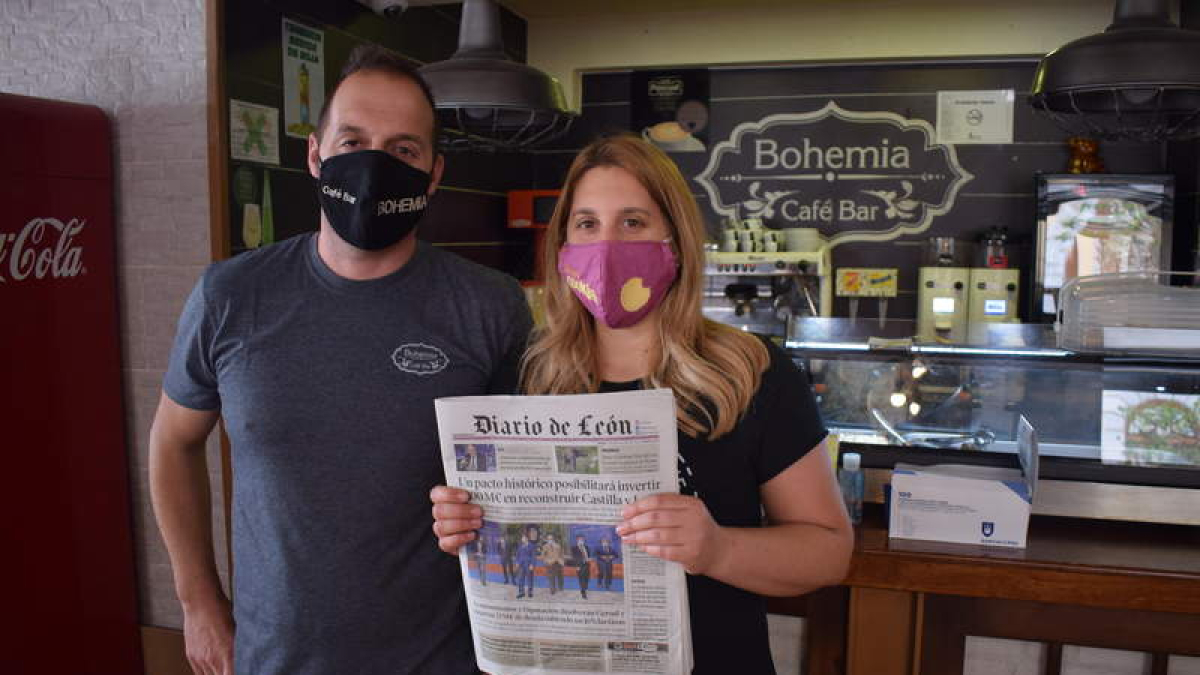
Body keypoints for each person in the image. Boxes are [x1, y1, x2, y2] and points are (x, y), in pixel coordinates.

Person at [148, 44, 532, 675]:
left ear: (435, 173)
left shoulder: (490, 306)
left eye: (403, 150)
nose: (375, 166)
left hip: (445, 659)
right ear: (314, 153)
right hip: (275, 658)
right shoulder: (231, 296)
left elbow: (528, 483)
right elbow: (172, 443)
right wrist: (198, 602)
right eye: (352, 141)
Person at [430, 134, 852, 674]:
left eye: (633, 222)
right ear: (563, 246)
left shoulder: (750, 372)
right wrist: (466, 524)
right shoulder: (524, 372)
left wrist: (718, 549)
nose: (606, 245)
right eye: (586, 224)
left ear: (675, 241)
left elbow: (829, 551)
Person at [515, 529, 539, 599]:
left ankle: (530, 592)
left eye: (523, 538)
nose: (522, 539)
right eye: (522, 538)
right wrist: (517, 562)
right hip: (521, 565)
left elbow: (533, 556)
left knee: (530, 579)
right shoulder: (520, 546)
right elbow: (517, 555)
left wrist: (532, 564)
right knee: (520, 579)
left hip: (528, 565)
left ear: (527, 538)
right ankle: (521, 592)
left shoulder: (532, 546)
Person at [571, 534, 593, 599]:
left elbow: (588, 556)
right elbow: (574, 558)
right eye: (580, 539)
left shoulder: (587, 547)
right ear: (577, 540)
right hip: (579, 566)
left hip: (587, 564)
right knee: (582, 579)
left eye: (582, 539)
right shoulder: (574, 548)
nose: (581, 540)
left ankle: (584, 588)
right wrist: (577, 566)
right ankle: (583, 592)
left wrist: (589, 559)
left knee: (586, 578)